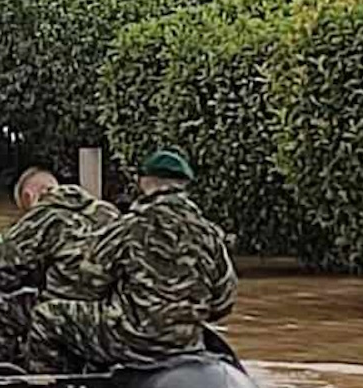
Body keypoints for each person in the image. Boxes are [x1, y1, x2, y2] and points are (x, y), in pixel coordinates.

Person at [25, 149, 237, 373]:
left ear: (143, 182)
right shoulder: (209, 234)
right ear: (185, 184)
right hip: (187, 344)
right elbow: (223, 302)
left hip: (132, 342)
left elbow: (87, 282)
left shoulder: (129, 227)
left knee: (45, 316)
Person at [0, 168, 122, 366]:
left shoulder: (41, 215)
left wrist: (34, 276)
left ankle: (9, 374)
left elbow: (4, 274)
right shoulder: (110, 211)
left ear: (29, 197)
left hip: (61, 313)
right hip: (109, 314)